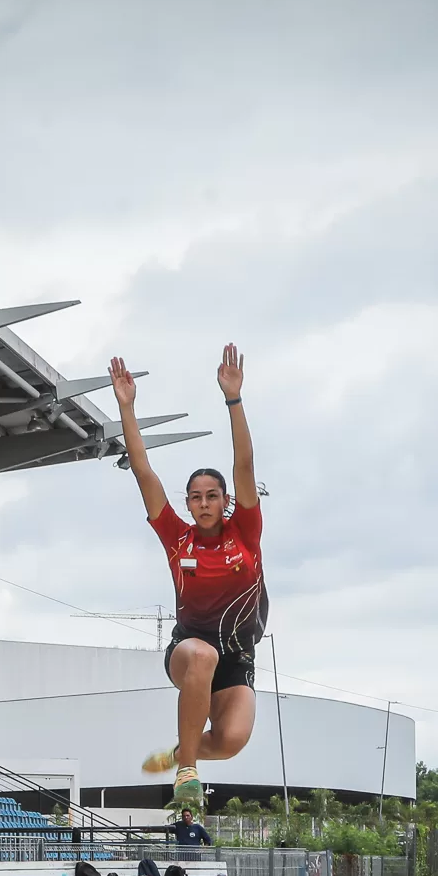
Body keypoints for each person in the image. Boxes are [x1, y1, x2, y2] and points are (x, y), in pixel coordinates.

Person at [111, 343, 265, 813]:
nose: (202, 502)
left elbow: (244, 466)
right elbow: (143, 473)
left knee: (233, 739)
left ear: (225, 501)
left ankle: (182, 752)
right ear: (188, 502)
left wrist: (234, 401)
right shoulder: (177, 538)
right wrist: (127, 409)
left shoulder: (246, 531)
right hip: (190, 651)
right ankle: (187, 775)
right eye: (195, 495)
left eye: (212, 495)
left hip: (236, 657)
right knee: (200, 654)